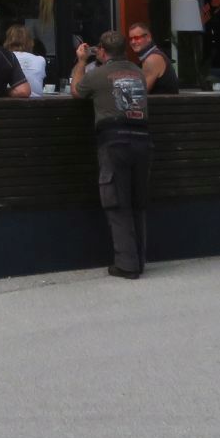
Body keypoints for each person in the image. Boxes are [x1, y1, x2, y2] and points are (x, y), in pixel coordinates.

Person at [72, 30, 154, 278]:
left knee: (117, 203)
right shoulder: (138, 73)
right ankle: (139, 260)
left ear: (102, 51)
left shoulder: (97, 75)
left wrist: (81, 61)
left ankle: (127, 264)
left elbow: (76, 91)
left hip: (114, 142)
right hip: (143, 140)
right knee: (138, 203)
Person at [6, 23, 48, 97]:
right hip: (37, 102)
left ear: (8, 40)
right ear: (30, 41)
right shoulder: (40, 60)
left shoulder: (6, 58)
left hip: (12, 102)